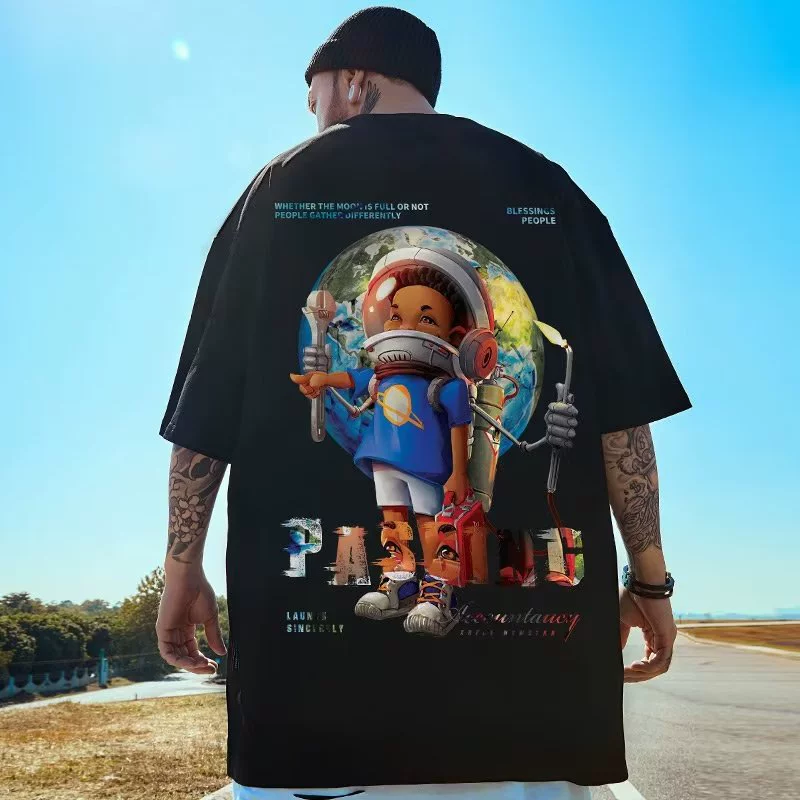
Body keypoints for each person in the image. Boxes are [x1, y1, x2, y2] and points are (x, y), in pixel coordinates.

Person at [156, 6, 692, 800]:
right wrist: (649, 582)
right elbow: (621, 420)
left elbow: (207, 414)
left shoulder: (277, 189)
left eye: (316, 94)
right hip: (527, 714)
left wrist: (181, 570)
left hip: (315, 715)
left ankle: (428, 589)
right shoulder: (551, 189)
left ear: (355, 81)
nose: (314, 114)